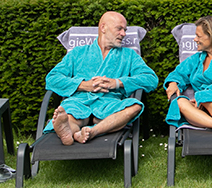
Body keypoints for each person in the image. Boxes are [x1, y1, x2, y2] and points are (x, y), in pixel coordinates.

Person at [46, 11, 158, 146]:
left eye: (125, 30)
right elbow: (52, 78)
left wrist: (117, 83)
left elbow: (151, 79)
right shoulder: (78, 53)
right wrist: (83, 85)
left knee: (135, 107)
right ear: (103, 28)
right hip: (79, 101)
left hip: (109, 103)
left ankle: (93, 131)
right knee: (70, 115)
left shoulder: (129, 55)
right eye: (119, 29)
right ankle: (70, 132)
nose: (124, 34)